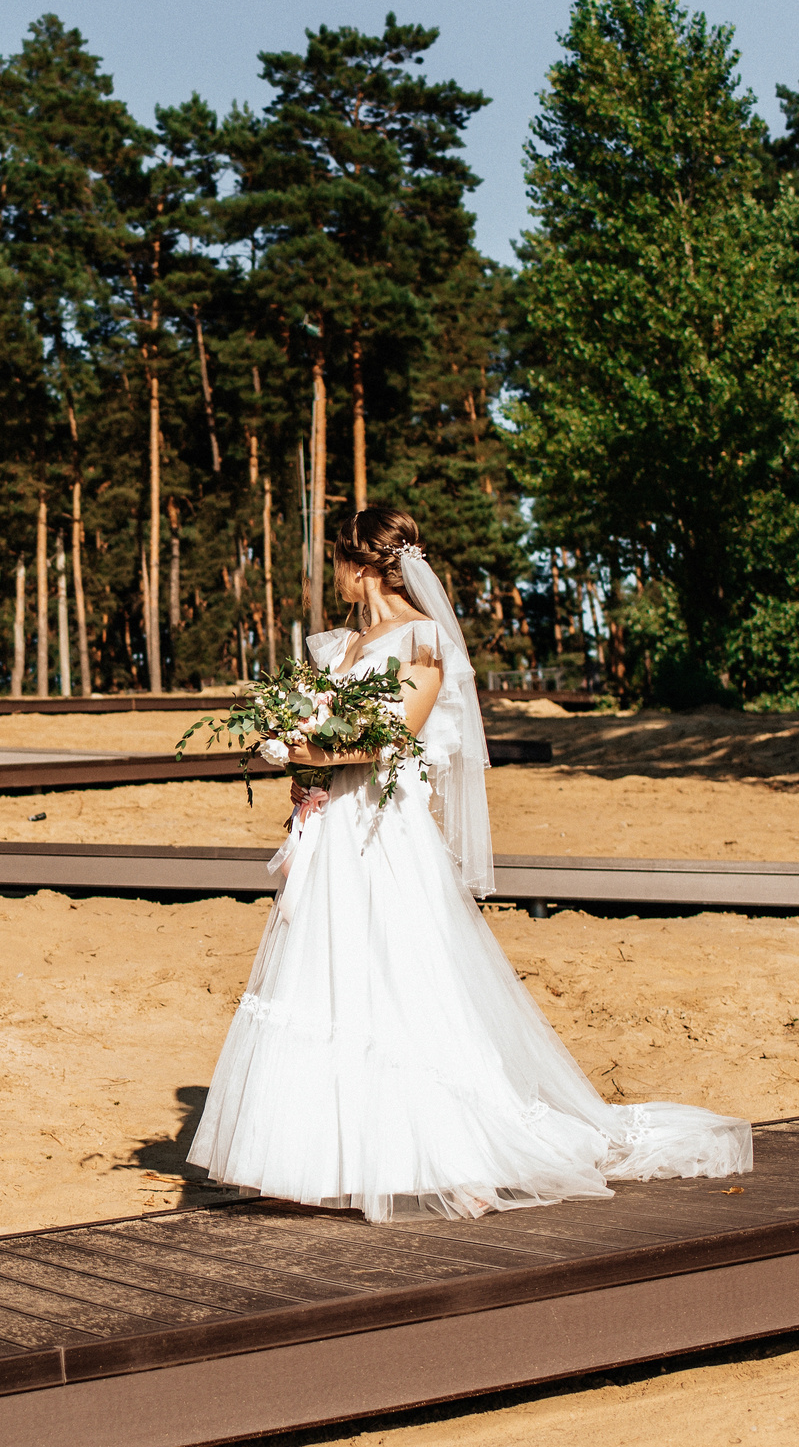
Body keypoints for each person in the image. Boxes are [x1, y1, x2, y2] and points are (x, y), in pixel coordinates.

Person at [187, 506, 752, 1220]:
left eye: (338, 560)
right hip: (334, 829)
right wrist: (299, 774)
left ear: (363, 565)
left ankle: (464, 1158)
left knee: (407, 978)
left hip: (383, 832)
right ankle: (333, 1156)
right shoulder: (341, 646)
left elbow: (390, 736)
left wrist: (298, 748)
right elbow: (329, 732)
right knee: (331, 975)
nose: (333, 574)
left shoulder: (423, 642)